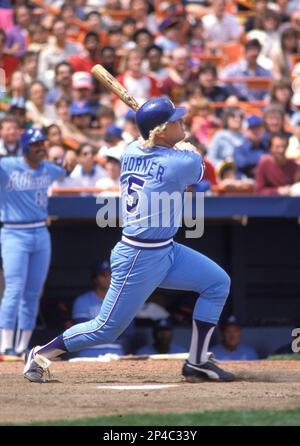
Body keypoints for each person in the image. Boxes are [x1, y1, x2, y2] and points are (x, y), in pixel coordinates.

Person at [23, 95, 234, 383]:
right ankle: (39, 354)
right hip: (139, 256)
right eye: (176, 120)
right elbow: (196, 164)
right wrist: (185, 148)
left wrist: (173, 142)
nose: (182, 121)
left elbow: (162, 148)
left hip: (166, 249)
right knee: (105, 329)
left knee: (217, 283)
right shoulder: (177, 163)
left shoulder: (132, 149)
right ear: (159, 131)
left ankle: (197, 361)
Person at [0, 128, 65, 356]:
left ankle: (21, 346)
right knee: (14, 289)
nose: (41, 147)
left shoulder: (48, 168)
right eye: (36, 144)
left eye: (43, 144)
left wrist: (70, 160)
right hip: (14, 232)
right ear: (26, 146)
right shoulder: (7, 166)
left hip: (40, 232)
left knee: (33, 292)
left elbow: (66, 170)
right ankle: (5, 345)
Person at [71, 261, 125, 358]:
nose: (108, 278)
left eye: (111, 274)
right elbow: (83, 331)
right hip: (89, 351)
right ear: (95, 279)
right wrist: (114, 327)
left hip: (116, 350)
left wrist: (98, 327)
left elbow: (129, 330)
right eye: (103, 275)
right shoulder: (82, 301)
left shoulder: (122, 300)